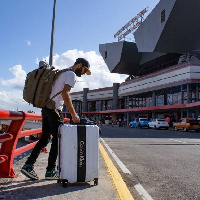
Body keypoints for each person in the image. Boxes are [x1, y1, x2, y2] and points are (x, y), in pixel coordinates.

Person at [21, 58, 91, 180]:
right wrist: (74, 115)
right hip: (54, 109)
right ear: (79, 65)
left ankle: (28, 165)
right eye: (85, 70)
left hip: (46, 107)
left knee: (45, 138)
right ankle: (50, 171)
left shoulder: (63, 72)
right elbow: (65, 94)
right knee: (58, 140)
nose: (84, 73)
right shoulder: (71, 75)